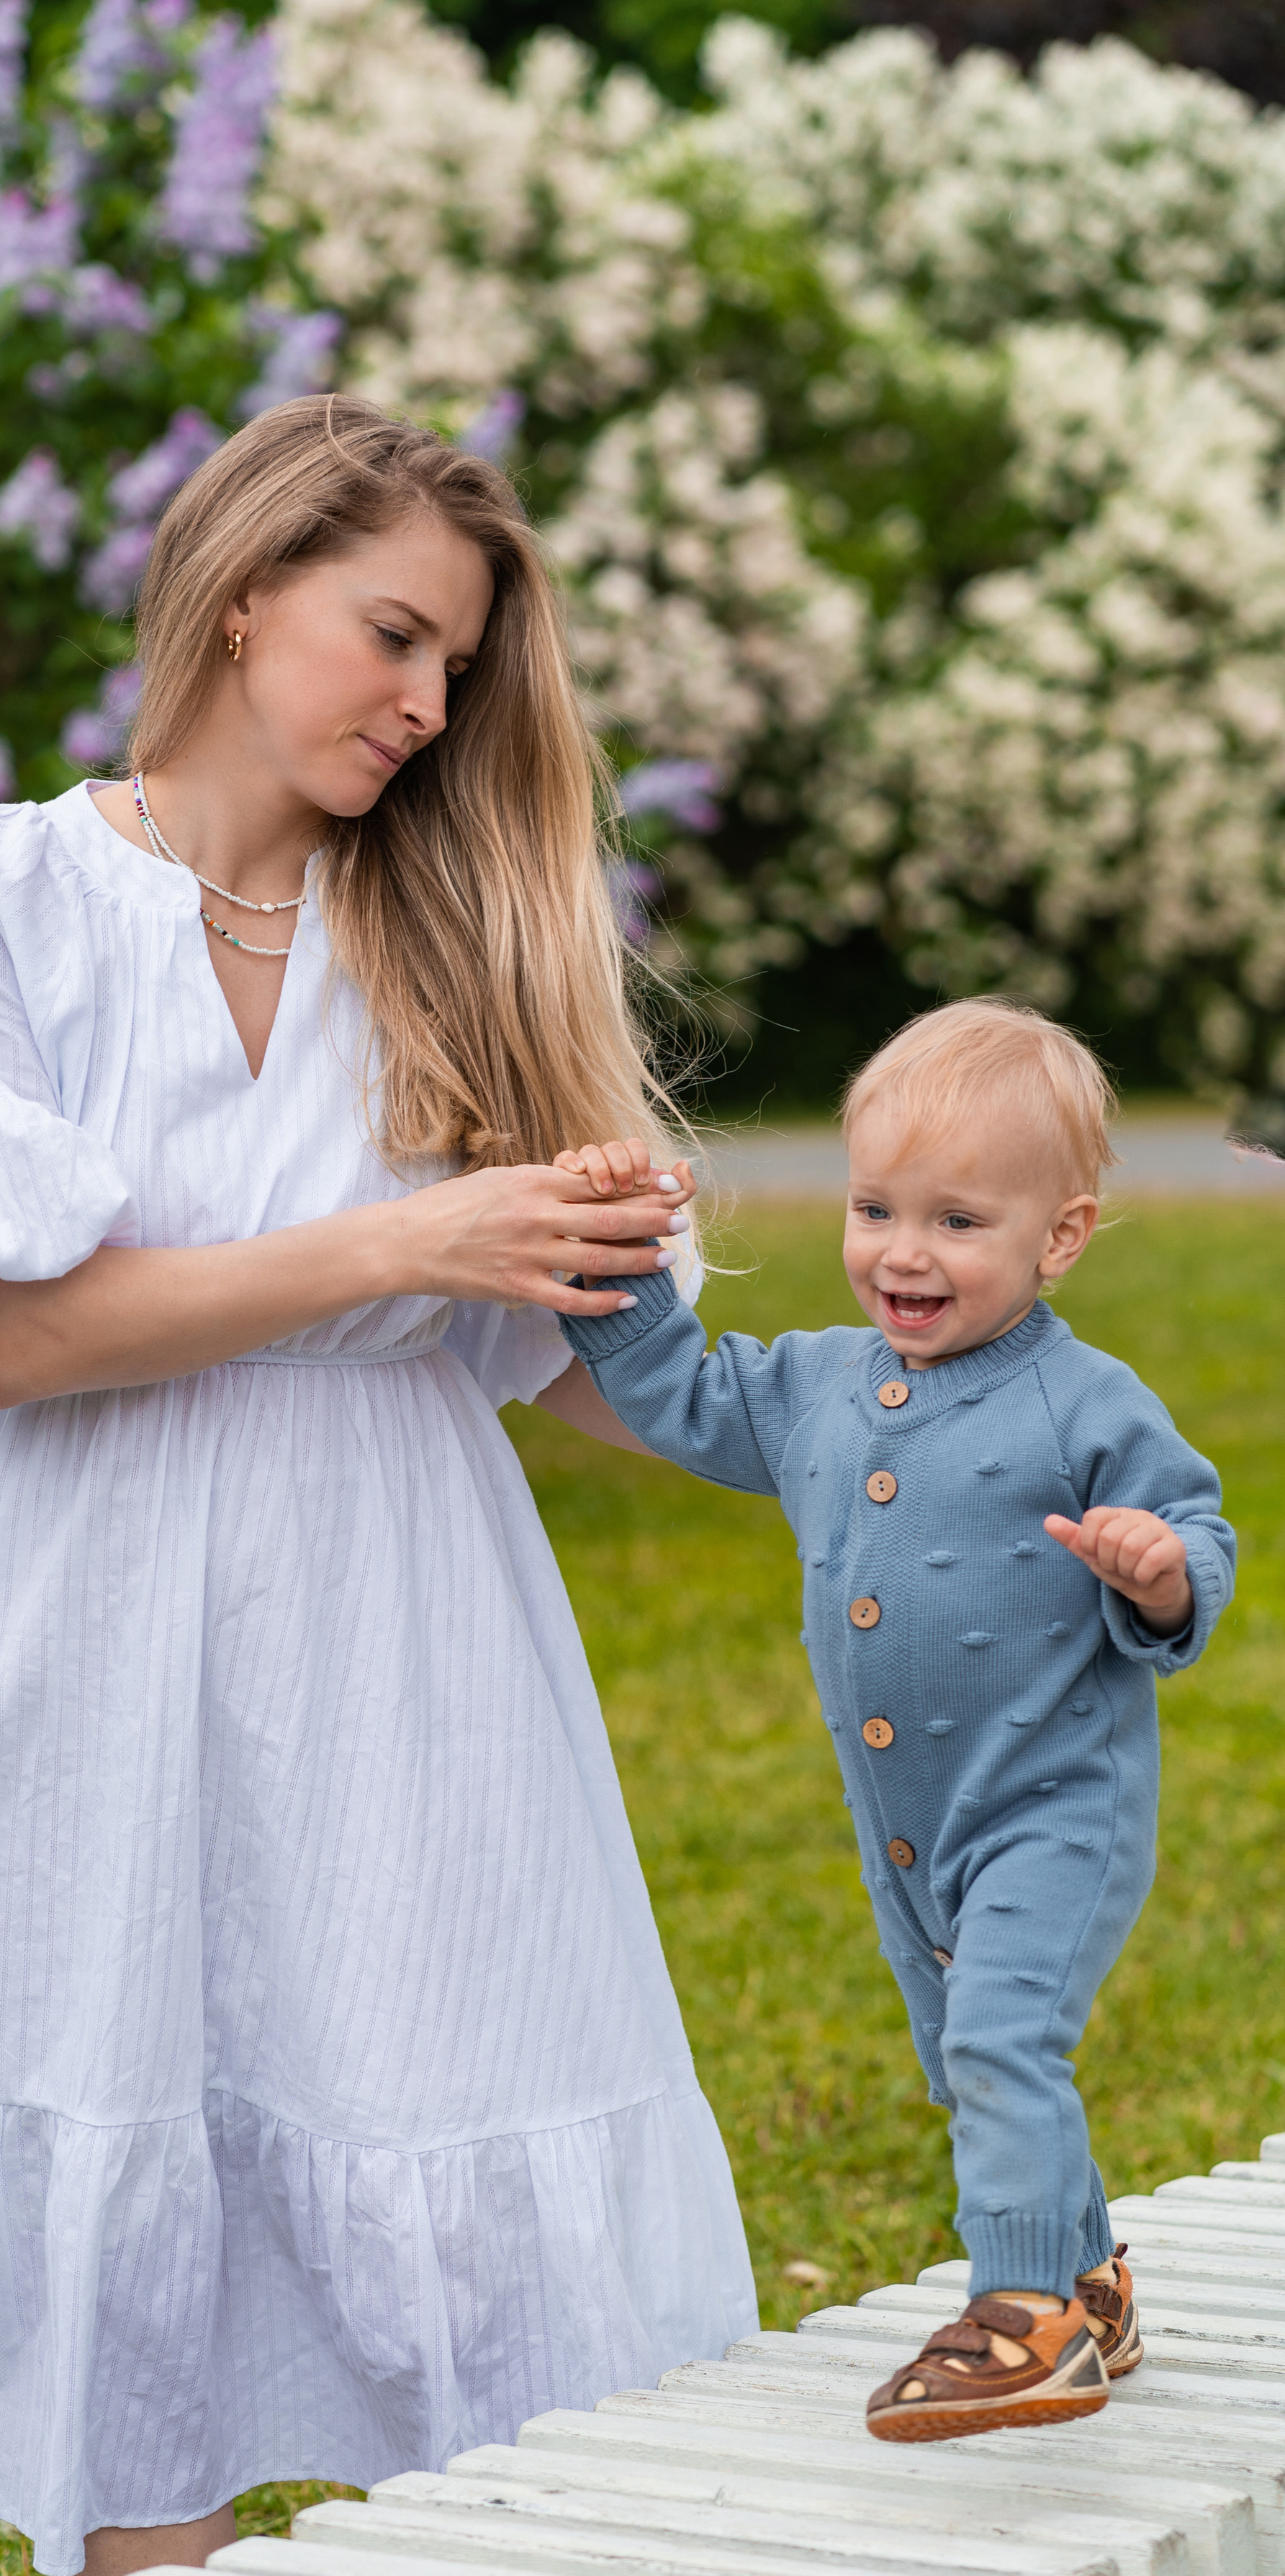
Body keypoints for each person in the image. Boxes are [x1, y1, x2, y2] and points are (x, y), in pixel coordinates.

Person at [0, 395, 757, 2571]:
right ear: (246, 597)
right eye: (396, 639)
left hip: (395, 1618)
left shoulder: (462, 937)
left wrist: (938, 1446)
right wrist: (409, 1245)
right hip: (65, 1607)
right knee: (123, 2100)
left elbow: (618, 1375)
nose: (432, 710)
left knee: (435, 2087)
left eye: (460, 670)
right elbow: (9, 1340)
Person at [554, 998, 1235, 2444]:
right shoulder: (813, 1384)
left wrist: (1160, 1573)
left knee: (998, 2039)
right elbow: (676, 1393)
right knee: (960, 2053)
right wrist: (606, 1265)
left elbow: (1191, 1526)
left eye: (955, 1221)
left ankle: (1018, 2320)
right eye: (873, 1208)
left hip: (1051, 1807)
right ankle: (1083, 2277)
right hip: (907, 1825)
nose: (899, 1252)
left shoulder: (1079, 1400)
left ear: (1057, 1238)